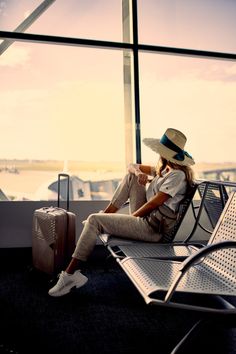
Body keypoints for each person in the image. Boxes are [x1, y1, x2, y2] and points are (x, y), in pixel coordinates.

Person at [48, 128, 195, 297]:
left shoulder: (177, 176)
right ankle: (106, 216)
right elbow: (131, 166)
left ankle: (70, 276)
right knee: (131, 177)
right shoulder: (164, 170)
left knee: (94, 220)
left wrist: (128, 221)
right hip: (147, 220)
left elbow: (153, 204)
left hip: (152, 229)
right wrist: (140, 173)